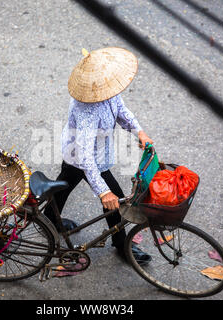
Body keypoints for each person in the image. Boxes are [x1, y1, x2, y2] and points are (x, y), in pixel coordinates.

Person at [43, 47, 153, 265]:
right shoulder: (87, 110)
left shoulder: (109, 90)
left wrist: (138, 131)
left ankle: (48, 221)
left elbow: (122, 111)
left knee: (64, 184)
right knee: (115, 197)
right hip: (83, 155)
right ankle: (121, 245)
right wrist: (103, 192)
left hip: (93, 152)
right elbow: (84, 156)